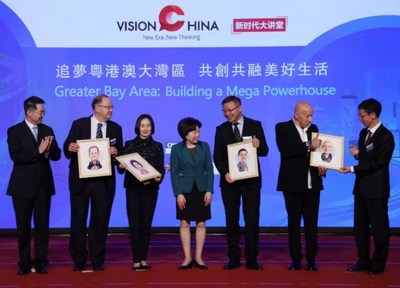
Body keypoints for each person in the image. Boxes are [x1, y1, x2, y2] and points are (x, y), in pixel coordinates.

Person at [63, 94, 123, 271]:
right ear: (96, 108)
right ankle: (79, 260)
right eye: (107, 107)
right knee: (78, 220)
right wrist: (70, 147)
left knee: (100, 222)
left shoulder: (115, 128)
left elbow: (120, 156)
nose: (110, 110)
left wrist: (116, 152)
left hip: (103, 183)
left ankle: (97, 259)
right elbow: (67, 148)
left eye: (111, 107)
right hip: (80, 181)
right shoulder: (79, 124)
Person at [6, 96, 61, 275]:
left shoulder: (47, 129)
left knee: (42, 226)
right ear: (29, 112)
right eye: (40, 111)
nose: (43, 114)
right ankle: (24, 263)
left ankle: (41, 262)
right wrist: (38, 150)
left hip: (43, 186)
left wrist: (49, 149)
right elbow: (17, 157)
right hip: (22, 187)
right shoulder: (14, 131)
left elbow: (57, 155)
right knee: (23, 227)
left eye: (44, 111)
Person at [213, 95, 268, 270]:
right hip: (230, 182)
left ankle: (252, 259)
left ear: (240, 108)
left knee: (252, 219)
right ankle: (233, 258)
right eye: (224, 111)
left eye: (230, 110)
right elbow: (218, 156)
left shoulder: (255, 125)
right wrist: (225, 173)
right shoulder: (221, 129)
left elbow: (265, 151)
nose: (227, 114)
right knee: (232, 220)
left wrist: (258, 145)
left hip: (251, 181)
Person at [340, 98, 394, 275]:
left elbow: (379, 162)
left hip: (377, 190)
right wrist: (358, 154)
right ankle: (362, 261)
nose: (359, 118)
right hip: (361, 188)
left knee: (379, 229)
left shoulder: (386, 136)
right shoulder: (364, 133)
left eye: (362, 115)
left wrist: (353, 168)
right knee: (360, 229)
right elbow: (368, 156)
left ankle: (378, 265)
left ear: (373, 115)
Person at [275, 101, 327, 272]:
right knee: (294, 223)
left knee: (312, 224)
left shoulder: (314, 128)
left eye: (312, 115)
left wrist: (322, 165)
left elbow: (318, 153)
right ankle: (295, 259)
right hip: (292, 185)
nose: (310, 118)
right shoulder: (282, 128)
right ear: (297, 114)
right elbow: (287, 150)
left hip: (313, 185)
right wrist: (307, 146)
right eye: (307, 115)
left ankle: (312, 260)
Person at [119, 114, 165, 271]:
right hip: (133, 189)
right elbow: (120, 168)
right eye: (143, 125)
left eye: (148, 125)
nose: (145, 128)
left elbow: (160, 168)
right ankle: (135, 260)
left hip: (150, 189)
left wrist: (160, 177)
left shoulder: (158, 146)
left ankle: (143, 259)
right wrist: (121, 167)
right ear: (138, 127)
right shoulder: (129, 144)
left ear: (152, 127)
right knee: (135, 225)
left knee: (146, 225)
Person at [170, 117, 214, 270]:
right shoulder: (176, 149)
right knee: (184, 223)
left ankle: (199, 257)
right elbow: (174, 173)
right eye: (194, 131)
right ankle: (187, 257)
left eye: (198, 131)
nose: (197, 134)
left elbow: (209, 169)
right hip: (185, 190)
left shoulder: (205, 147)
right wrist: (178, 193)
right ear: (185, 133)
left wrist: (209, 190)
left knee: (201, 223)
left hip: (201, 189)